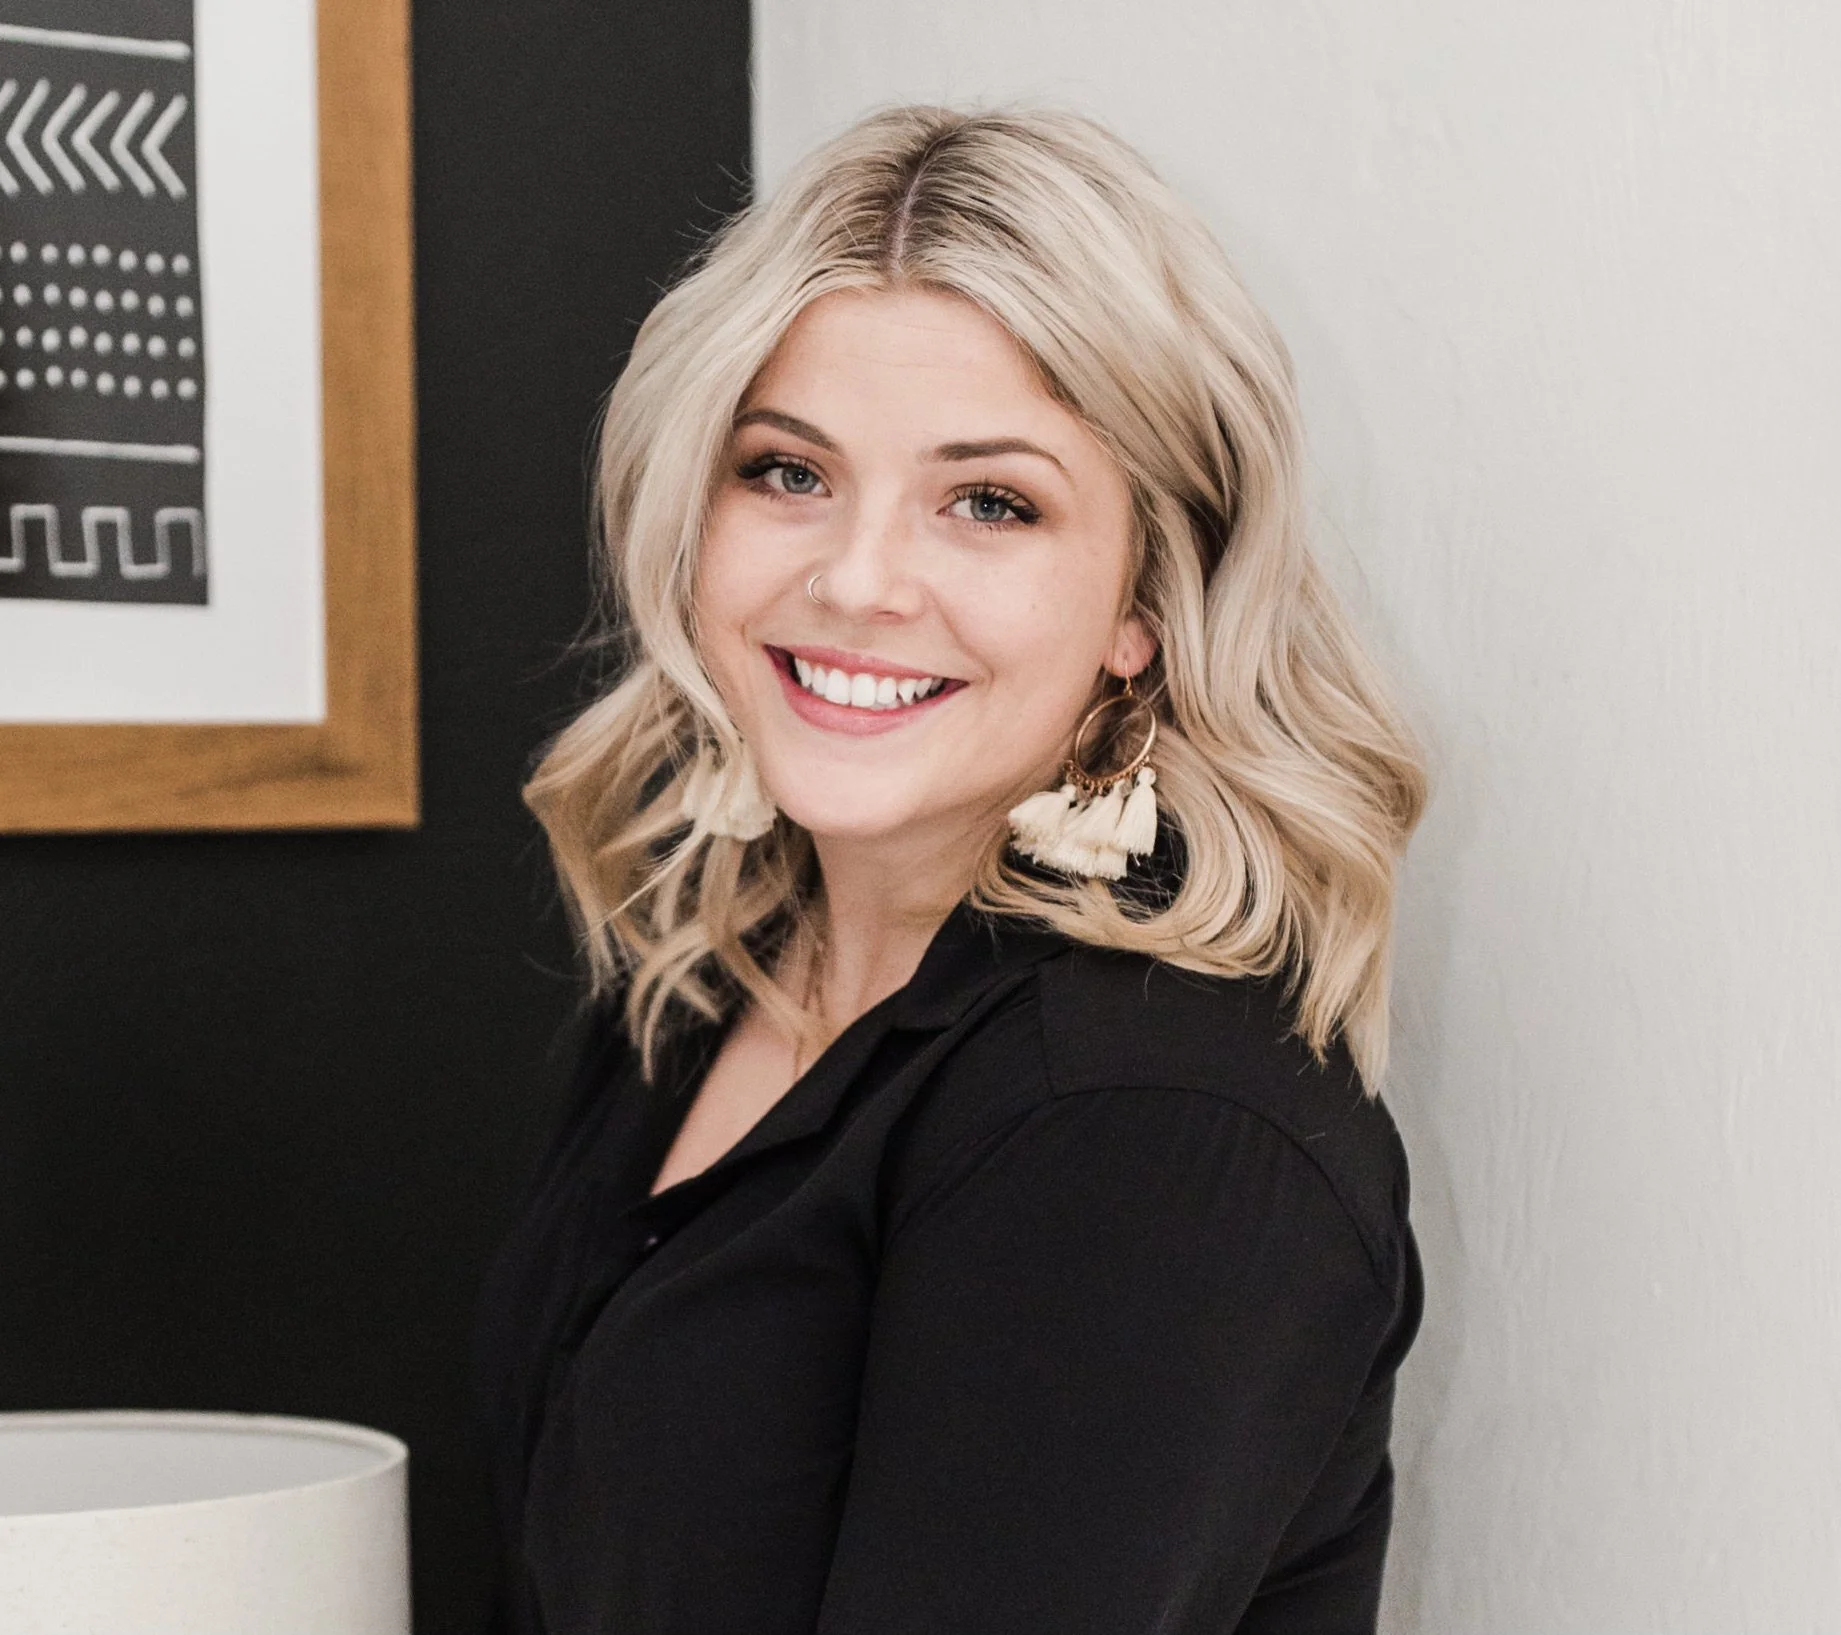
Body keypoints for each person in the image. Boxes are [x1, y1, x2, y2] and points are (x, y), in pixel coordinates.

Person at [471, 102, 1429, 1635]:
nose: (855, 578)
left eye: (989, 502)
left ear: (1144, 604)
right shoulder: (707, 975)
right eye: (788, 472)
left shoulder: (1147, 1118)